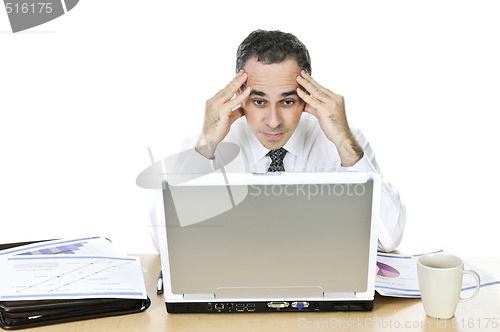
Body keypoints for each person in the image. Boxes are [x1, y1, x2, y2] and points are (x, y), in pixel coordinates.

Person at [194, 29, 406, 252]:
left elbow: (389, 238)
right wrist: (206, 144)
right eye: (259, 102)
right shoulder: (207, 144)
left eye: (287, 102)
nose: (274, 122)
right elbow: (166, 243)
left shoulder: (344, 142)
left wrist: (344, 142)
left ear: (306, 95)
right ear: (238, 95)